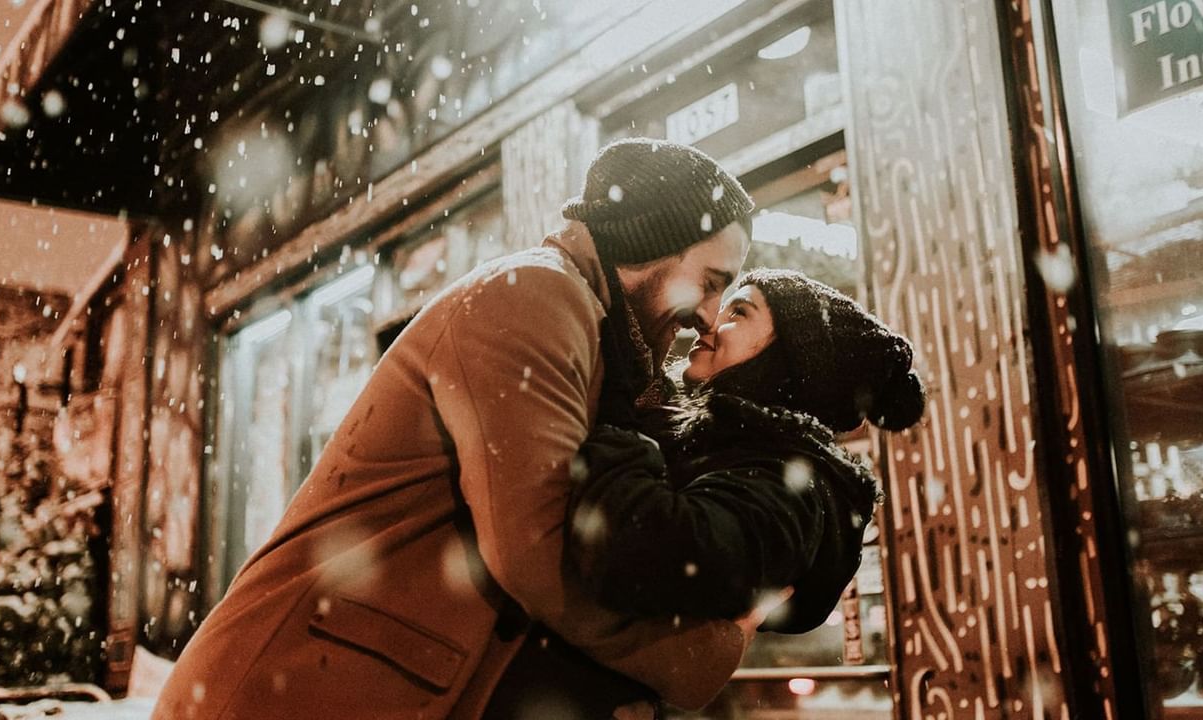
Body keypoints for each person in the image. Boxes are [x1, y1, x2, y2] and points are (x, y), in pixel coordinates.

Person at [152, 138, 758, 720]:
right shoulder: (536, 298)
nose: (708, 316)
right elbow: (535, 553)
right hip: (288, 694)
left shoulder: (593, 334)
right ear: (656, 242)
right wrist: (704, 652)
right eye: (710, 282)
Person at [483, 269, 925, 718]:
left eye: (740, 311)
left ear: (786, 361)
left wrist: (617, 418)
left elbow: (648, 551)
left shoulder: (790, 484)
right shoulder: (717, 446)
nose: (711, 321)